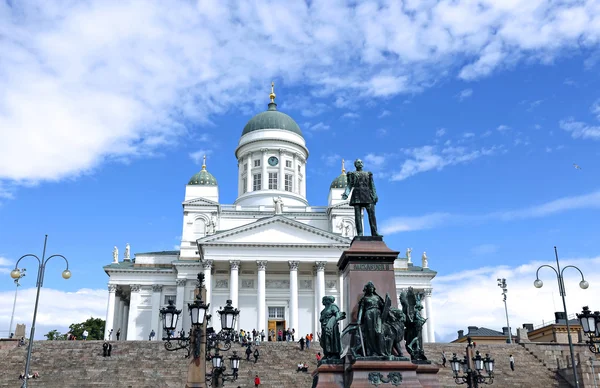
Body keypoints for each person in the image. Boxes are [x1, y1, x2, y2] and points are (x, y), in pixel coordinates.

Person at [341, 159, 380, 236]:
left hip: (367, 194)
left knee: (371, 215)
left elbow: (372, 185)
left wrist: (375, 195)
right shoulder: (352, 174)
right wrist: (346, 194)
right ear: (355, 164)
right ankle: (360, 233)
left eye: (361, 162)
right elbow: (349, 185)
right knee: (357, 216)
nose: (360, 163)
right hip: (357, 194)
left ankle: (374, 232)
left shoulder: (368, 174)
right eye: (358, 162)